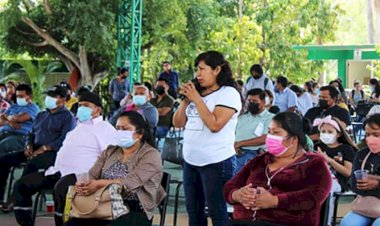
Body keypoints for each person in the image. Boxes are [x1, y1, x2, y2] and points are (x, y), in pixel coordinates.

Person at [12, 92, 116, 226]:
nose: (81, 108)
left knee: (61, 188)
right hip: (57, 172)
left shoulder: (105, 129)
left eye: (86, 106)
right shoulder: (77, 127)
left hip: (82, 176)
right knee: (21, 185)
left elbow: (112, 158)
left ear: (98, 109)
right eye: (80, 105)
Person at [224, 112, 332, 226]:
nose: (269, 137)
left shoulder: (314, 163)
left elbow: (314, 196)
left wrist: (274, 201)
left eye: (275, 133)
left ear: (293, 139)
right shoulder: (260, 160)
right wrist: (238, 195)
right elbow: (230, 186)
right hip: (243, 222)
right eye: (269, 132)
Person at [173, 50, 242, 226]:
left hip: (216, 161)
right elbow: (178, 123)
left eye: (202, 69)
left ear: (217, 69)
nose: (198, 74)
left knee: (217, 212)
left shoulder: (228, 93)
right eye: (197, 69)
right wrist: (186, 101)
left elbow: (215, 125)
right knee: (194, 213)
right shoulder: (197, 95)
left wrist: (196, 99)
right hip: (191, 160)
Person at [65, 111, 166, 226]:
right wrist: (85, 184)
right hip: (103, 203)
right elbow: (92, 174)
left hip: (136, 209)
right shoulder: (110, 151)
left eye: (125, 129)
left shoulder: (150, 155)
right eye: (118, 128)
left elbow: (131, 182)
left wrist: (98, 184)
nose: (120, 132)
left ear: (140, 133)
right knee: (72, 224)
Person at [0, 85, 76, 212]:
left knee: (32, 164)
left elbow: (64, 140)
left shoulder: (68, 118)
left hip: (53, 153)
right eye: (49, 95)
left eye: (53, 96)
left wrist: (45, 148)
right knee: (3, 160)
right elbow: (31, 133)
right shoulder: (42, 115)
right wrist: (28, 145)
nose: (49, 99)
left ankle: (15, 199)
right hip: (33, 148)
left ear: (63, 99)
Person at [0, 84, 40, 206]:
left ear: (29, 96)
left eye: (22, 96)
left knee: (2, 147)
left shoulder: (33, 108)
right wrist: (10, 121)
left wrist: (9, 119)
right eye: (17, 96)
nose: (19, 98)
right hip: (6, 133)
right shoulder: (14, 106)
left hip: (21, 138)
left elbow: (22, 118)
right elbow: (1, 119)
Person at [340, 114, 380, 226]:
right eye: (367, 135)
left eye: (376, 135)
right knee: (348, 223)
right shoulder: (362, 154)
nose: (370, 139)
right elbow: (353, 184)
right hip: (366, 207)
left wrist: (377, 183)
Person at [234, 88, 274, 174]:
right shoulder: (241, 118)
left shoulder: (270, 118)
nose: (251, 103)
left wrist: (239, 143)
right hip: (235, 151)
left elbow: (264, 138)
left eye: (255, 101)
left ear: (263, 102)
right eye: (249, 101)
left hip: (254, 153)